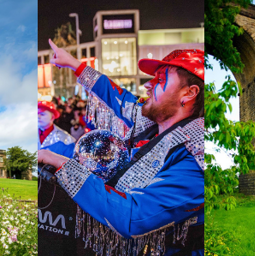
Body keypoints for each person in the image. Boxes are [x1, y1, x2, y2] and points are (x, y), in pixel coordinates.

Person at [37, 39, 207, 255]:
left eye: (160, 79)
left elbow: (134, 217)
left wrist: (63, 165)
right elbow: (117, 96)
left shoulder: (196, 154)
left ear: (189, 93)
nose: (148, 84)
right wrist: (73, 63)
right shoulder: (153, 123)